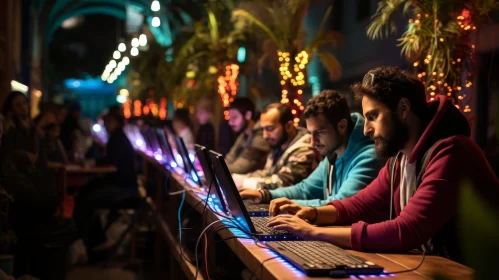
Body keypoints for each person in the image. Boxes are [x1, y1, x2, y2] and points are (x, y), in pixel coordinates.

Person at [266, 66, 499, 262]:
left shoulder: (451, 152)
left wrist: (314, 232)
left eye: (373, 116)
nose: (366, 129)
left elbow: (406, 230)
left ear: (403, 109)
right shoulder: (399, 159)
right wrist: (312, 214)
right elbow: (362, 205)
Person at [239, 90, 381, 206]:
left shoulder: (369, 156)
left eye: (318, 133)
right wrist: (265, 194)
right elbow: (305, 189)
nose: (313, 142)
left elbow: (340, 205)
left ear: (342, 126)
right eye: (310, 134)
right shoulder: (333, 154)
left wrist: (291, 205)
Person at [233, 103, 316, 191]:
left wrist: (244, 182)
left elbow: (284, 183)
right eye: (263, 129)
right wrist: (238, 178)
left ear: (289, 126)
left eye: (270, 129)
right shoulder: (279, 144)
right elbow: (268, 173)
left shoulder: (305, 149)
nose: (265, 135)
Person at [225, 97, 270, 174]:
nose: (230, 123)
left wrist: (214, 170)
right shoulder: (244, 134)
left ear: (248, 115)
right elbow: (229, 158)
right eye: (230, 118)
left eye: (234, 117)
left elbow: (240, 168)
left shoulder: (261, 136)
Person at [0, 91, 39, 162]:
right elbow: (7, 151)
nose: (23, 107)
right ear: (11, 109)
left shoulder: (31, 124)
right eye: (18, 105)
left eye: (24, 103)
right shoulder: (10, 126)